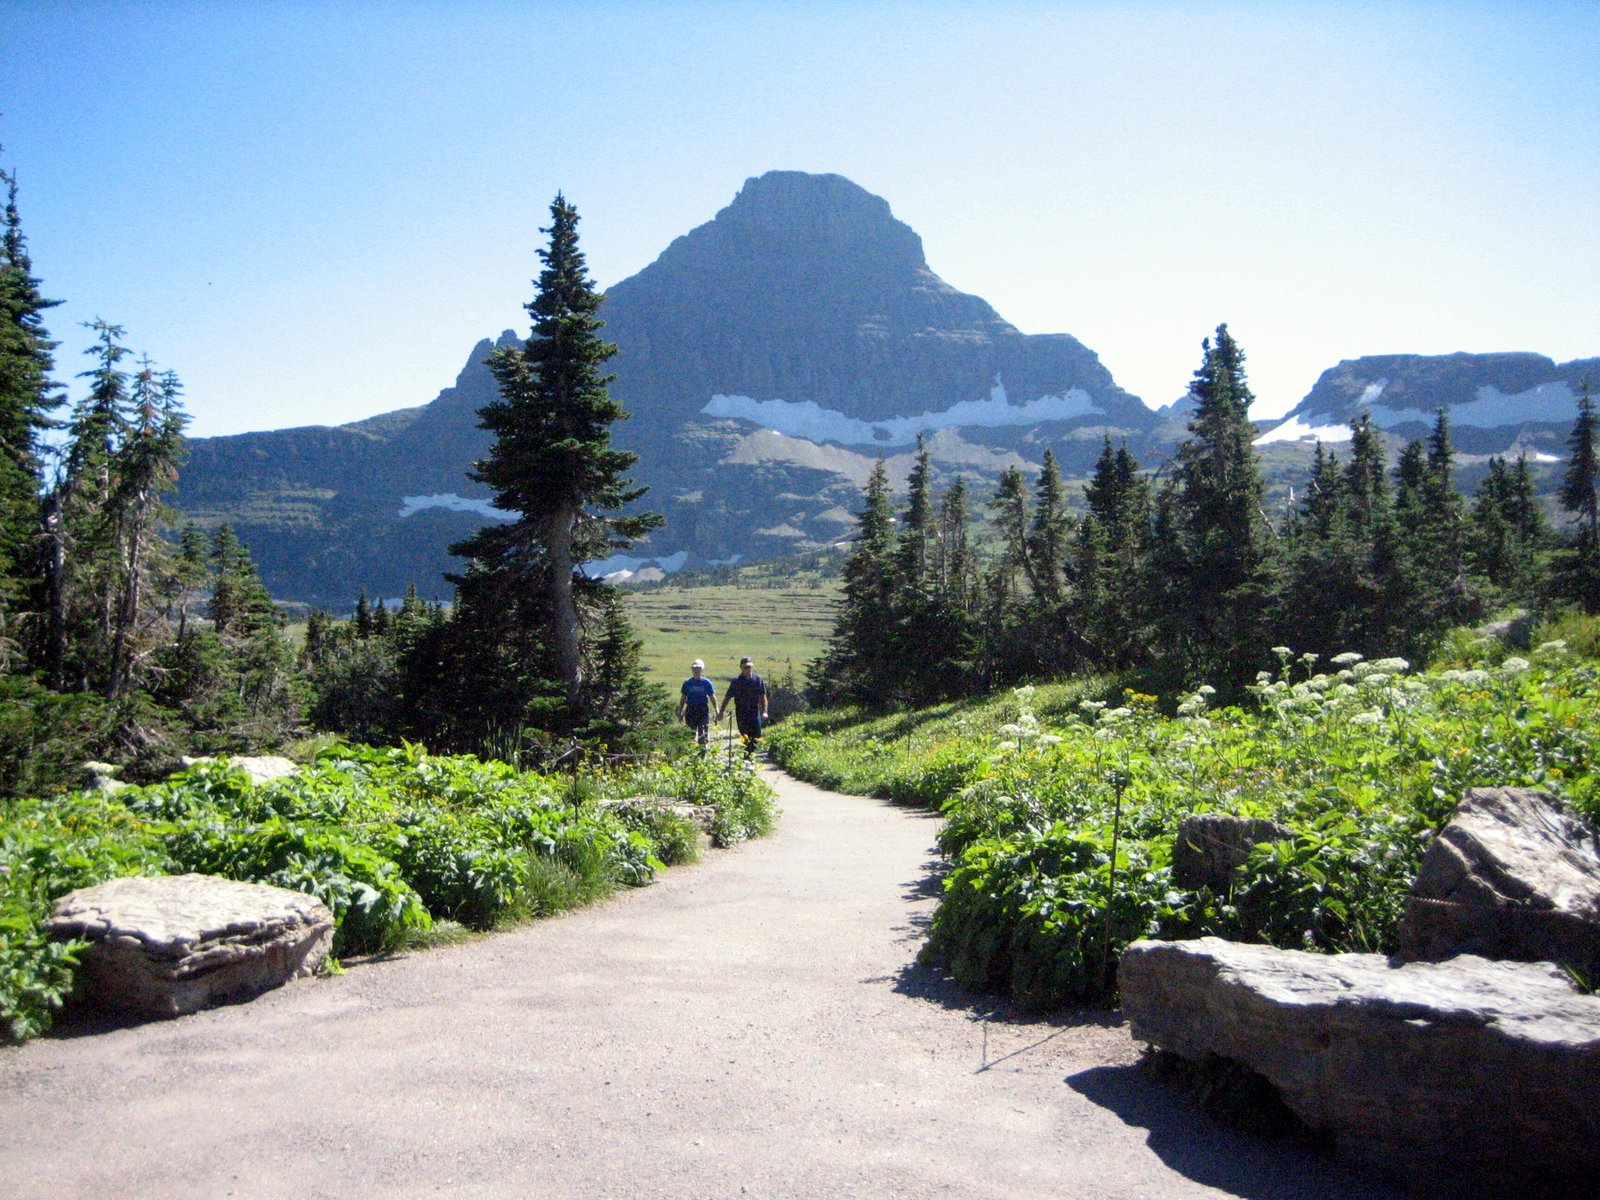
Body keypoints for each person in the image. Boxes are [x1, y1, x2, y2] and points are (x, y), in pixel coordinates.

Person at [717, 655, 770, 757]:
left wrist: (765, 711)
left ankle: (752, 755)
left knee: (757, 734)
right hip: (741, 713)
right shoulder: (736, 681)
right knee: (745, 735)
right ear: (741, 668)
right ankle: (747, 756)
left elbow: (763, 697)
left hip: (754, 712)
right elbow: (727, 697)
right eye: (745, 667)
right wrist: (721, 712)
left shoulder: (758, 680)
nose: (748, 669)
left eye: (749, 667)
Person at [677, 659, 716, 749]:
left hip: (703, 709)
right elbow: (683, 698)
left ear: (702, 669)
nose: (696, 670)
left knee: (703, 732)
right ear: (692, 670)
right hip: (691, 709)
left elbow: (712, 697)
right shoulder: (687, 683)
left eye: (698, 668)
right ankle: (690, 753)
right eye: (694, 668)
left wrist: (717, 710)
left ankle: (702, 753)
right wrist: (680, 711)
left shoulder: (707, 683)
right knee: (690, 733)